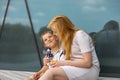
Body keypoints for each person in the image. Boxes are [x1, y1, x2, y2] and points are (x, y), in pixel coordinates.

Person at [38, 15, 100, 80]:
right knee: (48, 73)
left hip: (90, 70)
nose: (54, 34)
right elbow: (60, 60)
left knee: (51, 73)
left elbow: (88, 63)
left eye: (55, 31)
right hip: (76, 67)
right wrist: (47, 64)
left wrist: (63, 63)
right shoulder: (65, 42)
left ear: (62, 29)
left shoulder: (80, 35)